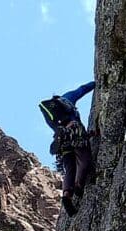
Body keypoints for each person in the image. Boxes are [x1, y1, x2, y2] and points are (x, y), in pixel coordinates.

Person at [38, 81, 95, 215]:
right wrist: (96, 83)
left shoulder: (51, 117)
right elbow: (81, 90)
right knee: (83, 159)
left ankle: (66, 195)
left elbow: (59, 129)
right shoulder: (66, 99)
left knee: (69, 167)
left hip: (62, 141)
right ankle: (79, 185)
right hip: (74, 131)